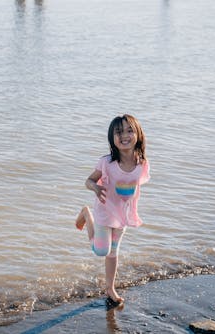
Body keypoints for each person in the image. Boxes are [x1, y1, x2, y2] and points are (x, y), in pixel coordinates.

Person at [76, 114, 150, 305]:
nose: (124, 135)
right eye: (118, 132)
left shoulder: (142, 163)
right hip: (103, 211)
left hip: (123, 214)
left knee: (113, 253)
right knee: (102, 250)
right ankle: (86, 213)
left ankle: (110, 288)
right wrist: (95, 187)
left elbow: (136, 186)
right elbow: (88, 180)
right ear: (112, 139)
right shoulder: (107, 162)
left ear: (138, 135)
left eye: (129, 130)